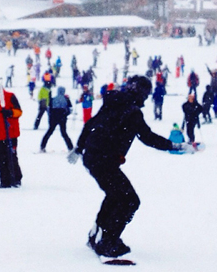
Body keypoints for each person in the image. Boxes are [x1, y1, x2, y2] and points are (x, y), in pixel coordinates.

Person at [72, 75, 184, 258]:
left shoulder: (113, 102)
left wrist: (80, 147)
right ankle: (108, 241)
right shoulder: (131, 112)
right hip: (103, 159)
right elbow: (147, 137)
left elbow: (91, 123)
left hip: (95, 157)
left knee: (116, 195)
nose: (146, 99)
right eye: (146, 94)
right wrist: (174, 145)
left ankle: (97, 234)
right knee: (129, 200)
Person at [40, 86, 73, 152]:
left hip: (53, 117)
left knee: (49, 131)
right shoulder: (66, 99)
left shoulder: (53, 99)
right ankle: (70, 147)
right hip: (62, 117)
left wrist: (51, 116)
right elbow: (70, 109)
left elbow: (49, 108)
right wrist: (65, 114)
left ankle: (42, 146)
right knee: (64, 133)